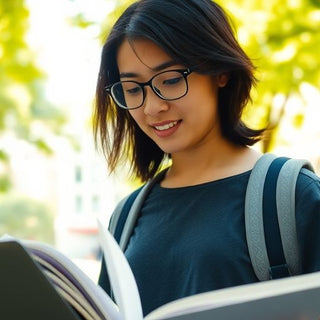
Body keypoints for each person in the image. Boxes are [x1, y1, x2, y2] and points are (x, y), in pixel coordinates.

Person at [94, 0, 320, 316]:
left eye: (170, 80)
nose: (151, 107)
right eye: (133, 89)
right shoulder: (125, 218)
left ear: (221, 72)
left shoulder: (292, 196)